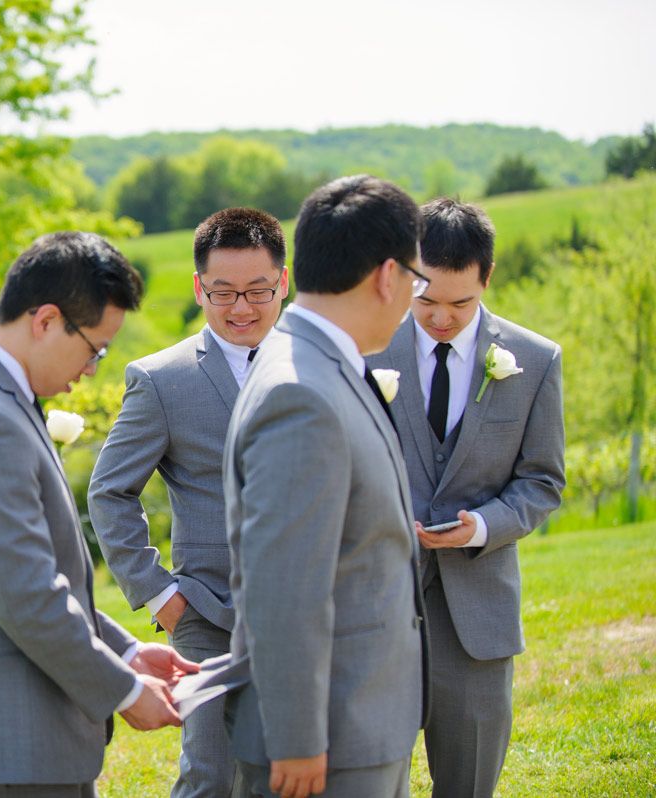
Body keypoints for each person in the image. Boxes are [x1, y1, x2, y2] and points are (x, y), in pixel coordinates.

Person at [0, 232, 196, 797]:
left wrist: (128, 650)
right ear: (44, 320)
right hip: (10, 743)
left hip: (7, 738)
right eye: (96, 348)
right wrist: (123, 690)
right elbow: (25, 594)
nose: (92, 368)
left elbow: (37, 571)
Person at [224, 176, 428, 798]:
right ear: (388, 275)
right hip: (328, 740)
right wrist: (296, 736)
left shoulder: (313, 364)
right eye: (418, 282)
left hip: (357, 723)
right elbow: (285, 583)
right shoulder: (301, 393)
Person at [366, 198, 565, 798]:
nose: (442, 319)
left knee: (470, 784)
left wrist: (482, 526)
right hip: (375, 606)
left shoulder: (534, 360)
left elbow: (542, 481)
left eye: (461, 303)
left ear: (488, 278)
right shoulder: (362, 351)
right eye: (425, 301)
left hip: (478, 617)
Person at [88, 207, 287, 797]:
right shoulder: (160, 379)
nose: (242, 308)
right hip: (208, 612)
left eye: (258, 290)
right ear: (199, 286)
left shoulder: (326, 362)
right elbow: (109, 491)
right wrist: (161, 595)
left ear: (285, 282)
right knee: (211, 775)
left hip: (313, 608)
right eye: (223, 292)